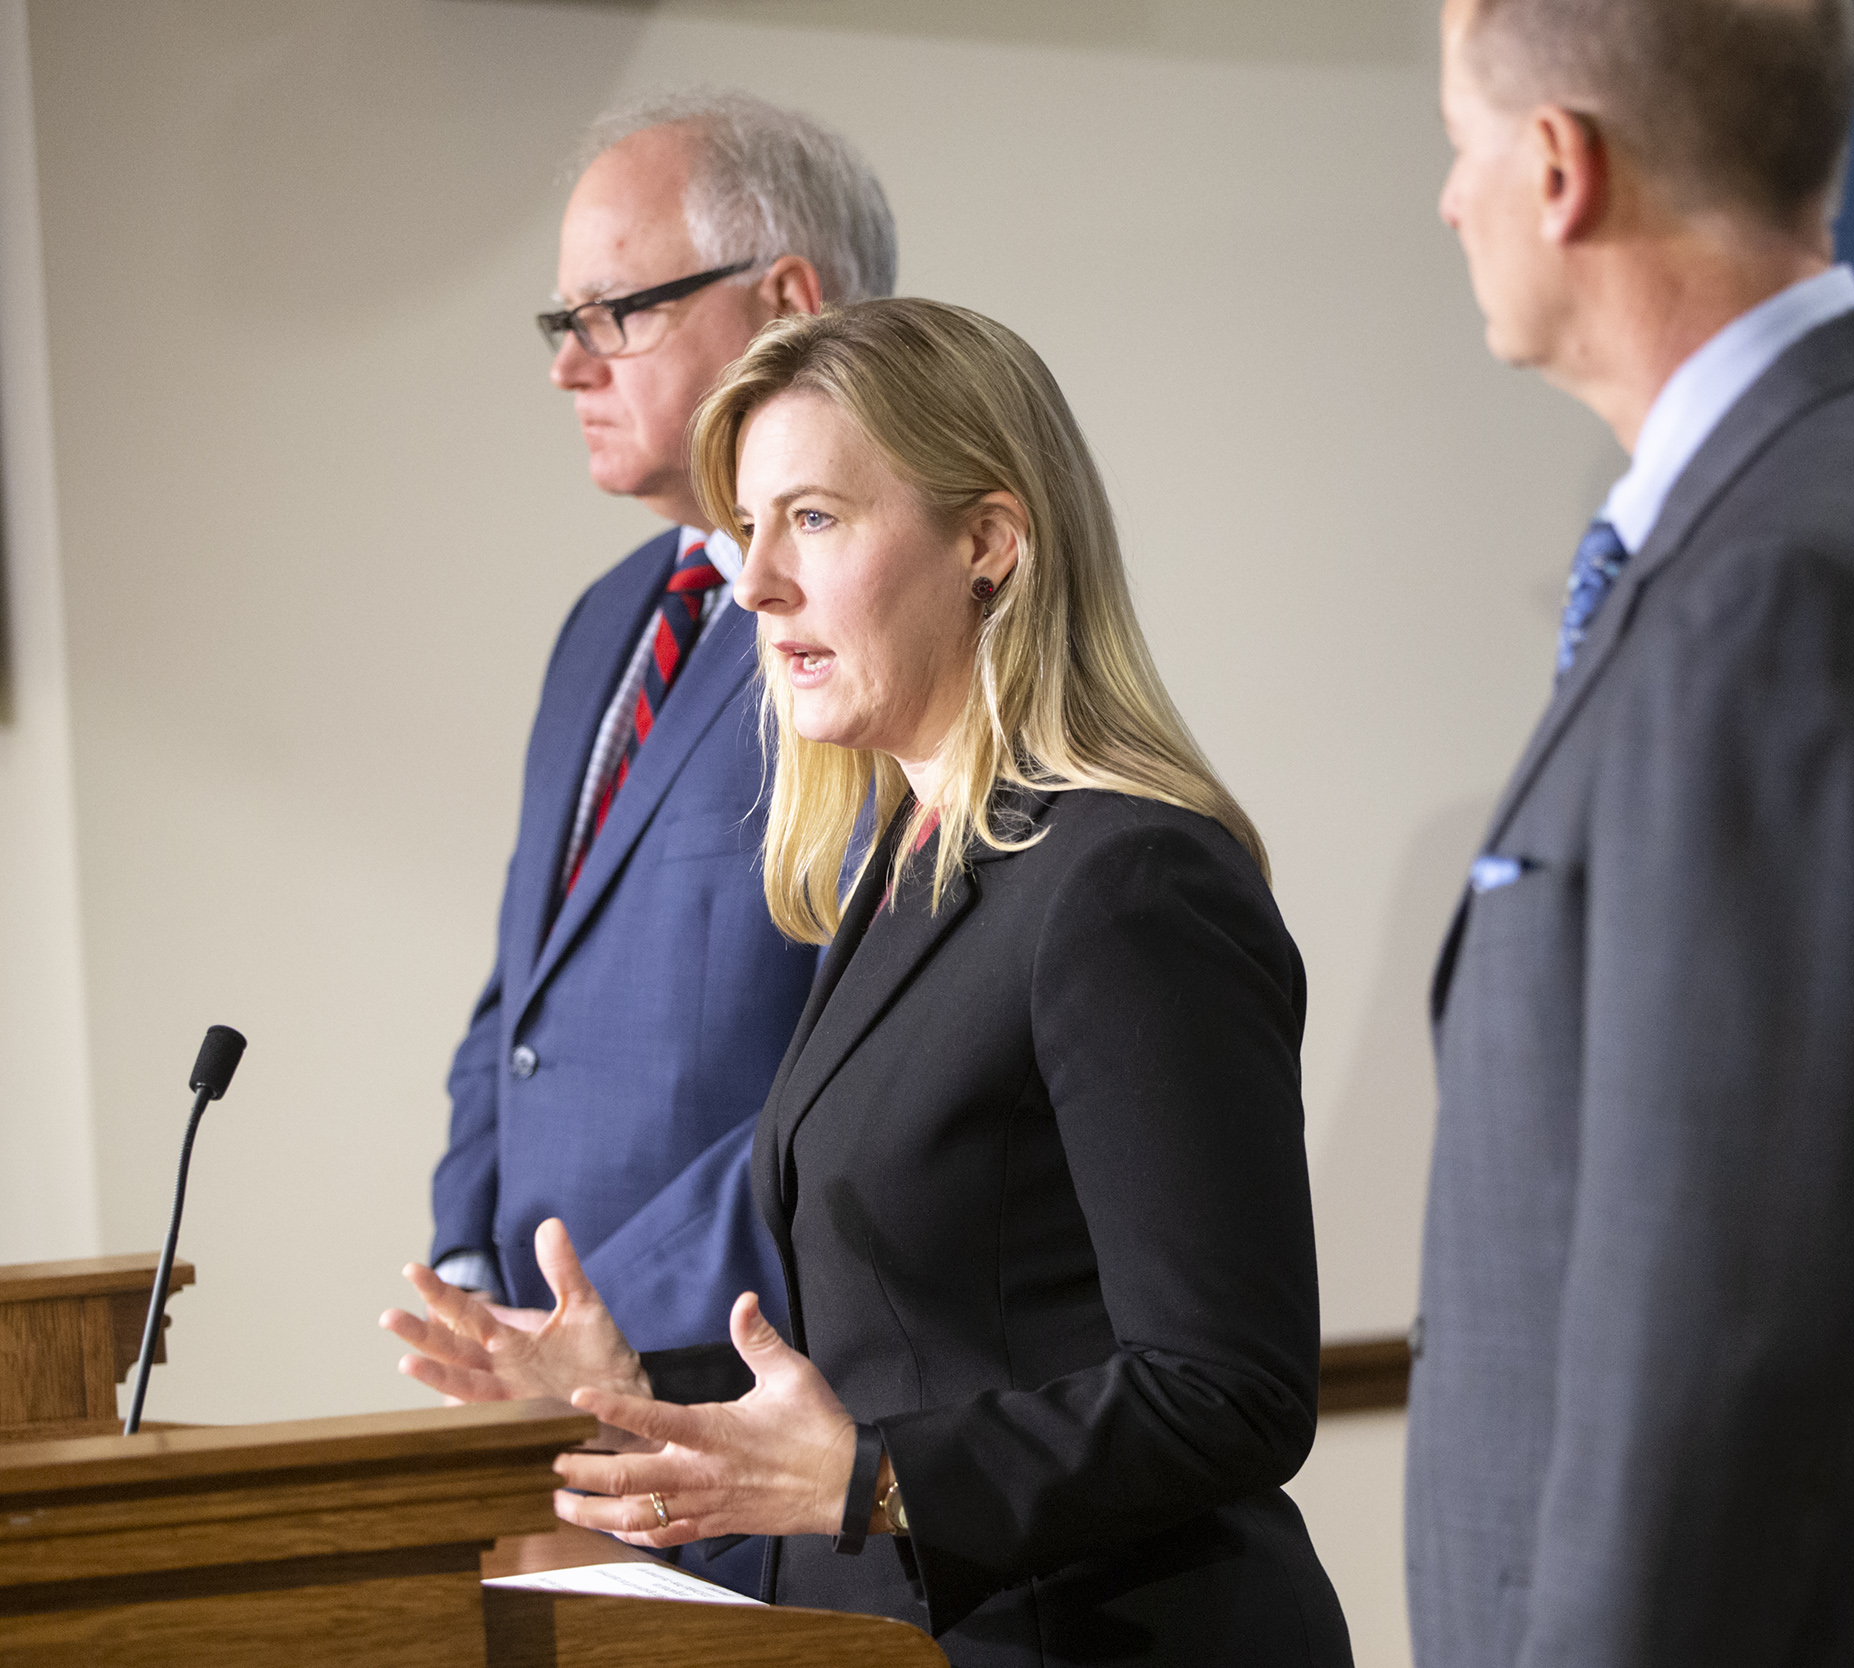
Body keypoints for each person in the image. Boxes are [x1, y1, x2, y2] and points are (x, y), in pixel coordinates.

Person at [385, 299, 1353, 1667]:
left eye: (815, 520)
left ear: (989, 543)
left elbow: (1231, 1392)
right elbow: (910, 1352)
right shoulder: (899, 873)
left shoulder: (1131, 883)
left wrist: (873, 1484)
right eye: (751, 527)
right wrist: (641, 1390)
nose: (754, 581)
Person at [1412, 1, 1854, 1664]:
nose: (1447, 201)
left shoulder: (1782, 591)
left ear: (1560, 167)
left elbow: (1710, 1337)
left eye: (1459, 146)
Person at [425, 91, 895, 1595]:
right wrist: (476, 1284)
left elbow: (878, 1058)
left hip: (781, 1427)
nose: (570, 361)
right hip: (560, 1428)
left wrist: (605, 1317)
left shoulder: (884, 627)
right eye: (560, 317)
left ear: (788, 303)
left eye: (617, 310)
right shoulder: (604, 626)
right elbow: (519, 1004)